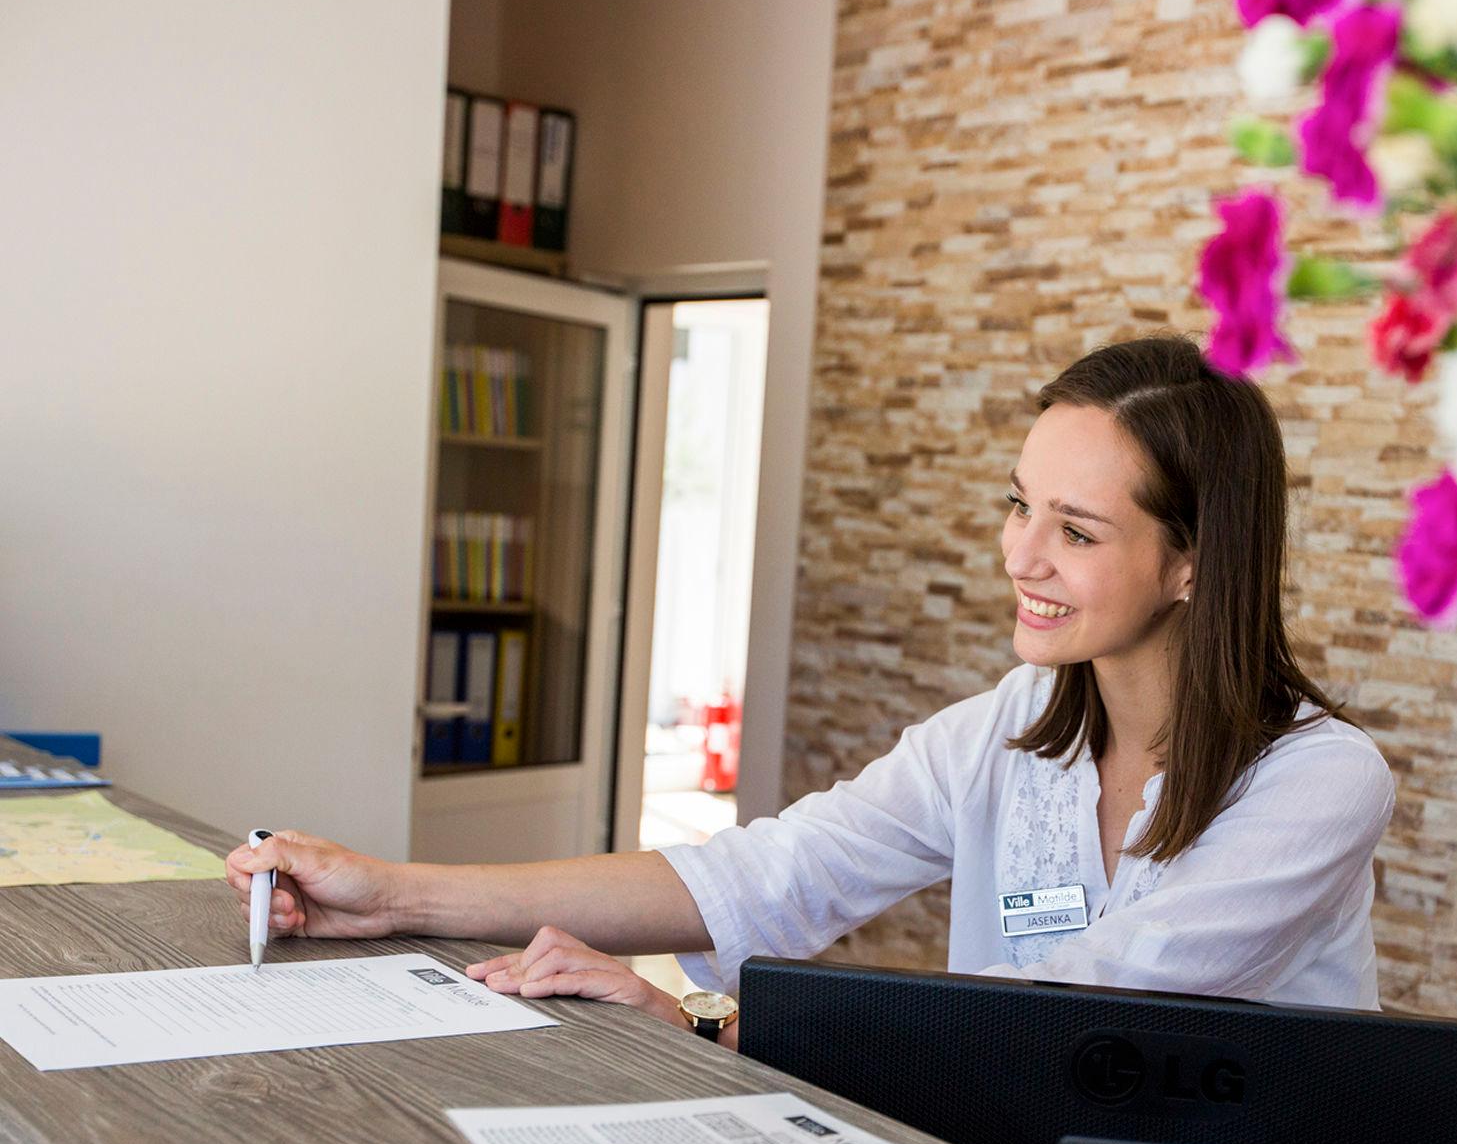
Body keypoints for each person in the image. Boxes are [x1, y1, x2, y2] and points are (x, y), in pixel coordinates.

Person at [226, 336, 1397, 1042]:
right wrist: (391, 896)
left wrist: (718, 1022)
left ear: (1193, 560)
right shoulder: (1010, 734)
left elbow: (1089, 1006)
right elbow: (770, 873)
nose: (1017, 555)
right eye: (1016, 504)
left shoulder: (1317, 783)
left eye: (1075, 530)